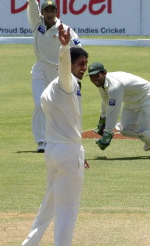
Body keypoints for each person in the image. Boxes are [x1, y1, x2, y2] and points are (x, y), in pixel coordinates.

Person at [22, 23, 89, 246]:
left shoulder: (50, 89)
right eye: (81, 63)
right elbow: (63, 66)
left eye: (86, 64)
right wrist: (64, 47)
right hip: (67, 152)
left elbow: (67, 123)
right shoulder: (65, 83)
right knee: (67, 209)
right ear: (68, 64)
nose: (85, 68)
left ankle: (30, 243)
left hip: (54, 150)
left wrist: (79, 153)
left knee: (49, 204)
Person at [25, 0, 82, 153]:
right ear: (42, 12)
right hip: (40, 69)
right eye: (46, 10)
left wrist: (78, 72)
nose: (49, 13)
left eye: (52, 10)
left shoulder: (65, 29)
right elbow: (32, 0)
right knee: (39, 102)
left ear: (56, 12)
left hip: (59, 71)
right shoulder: (37, 22)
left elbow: (78, 50)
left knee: (61, 106)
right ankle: (42, 141)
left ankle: (61, 137)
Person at [88, 62, 150, 158]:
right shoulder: (102, 85)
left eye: (96, 76)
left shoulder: (114, 86)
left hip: (147, 97)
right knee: (125, 130)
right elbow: (106, 104)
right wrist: (102, 121)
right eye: (91, 77)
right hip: (130, 102)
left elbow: (114, 110)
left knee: (143, 130)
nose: (94, 80)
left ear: (104, 72)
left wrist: (107, 133)